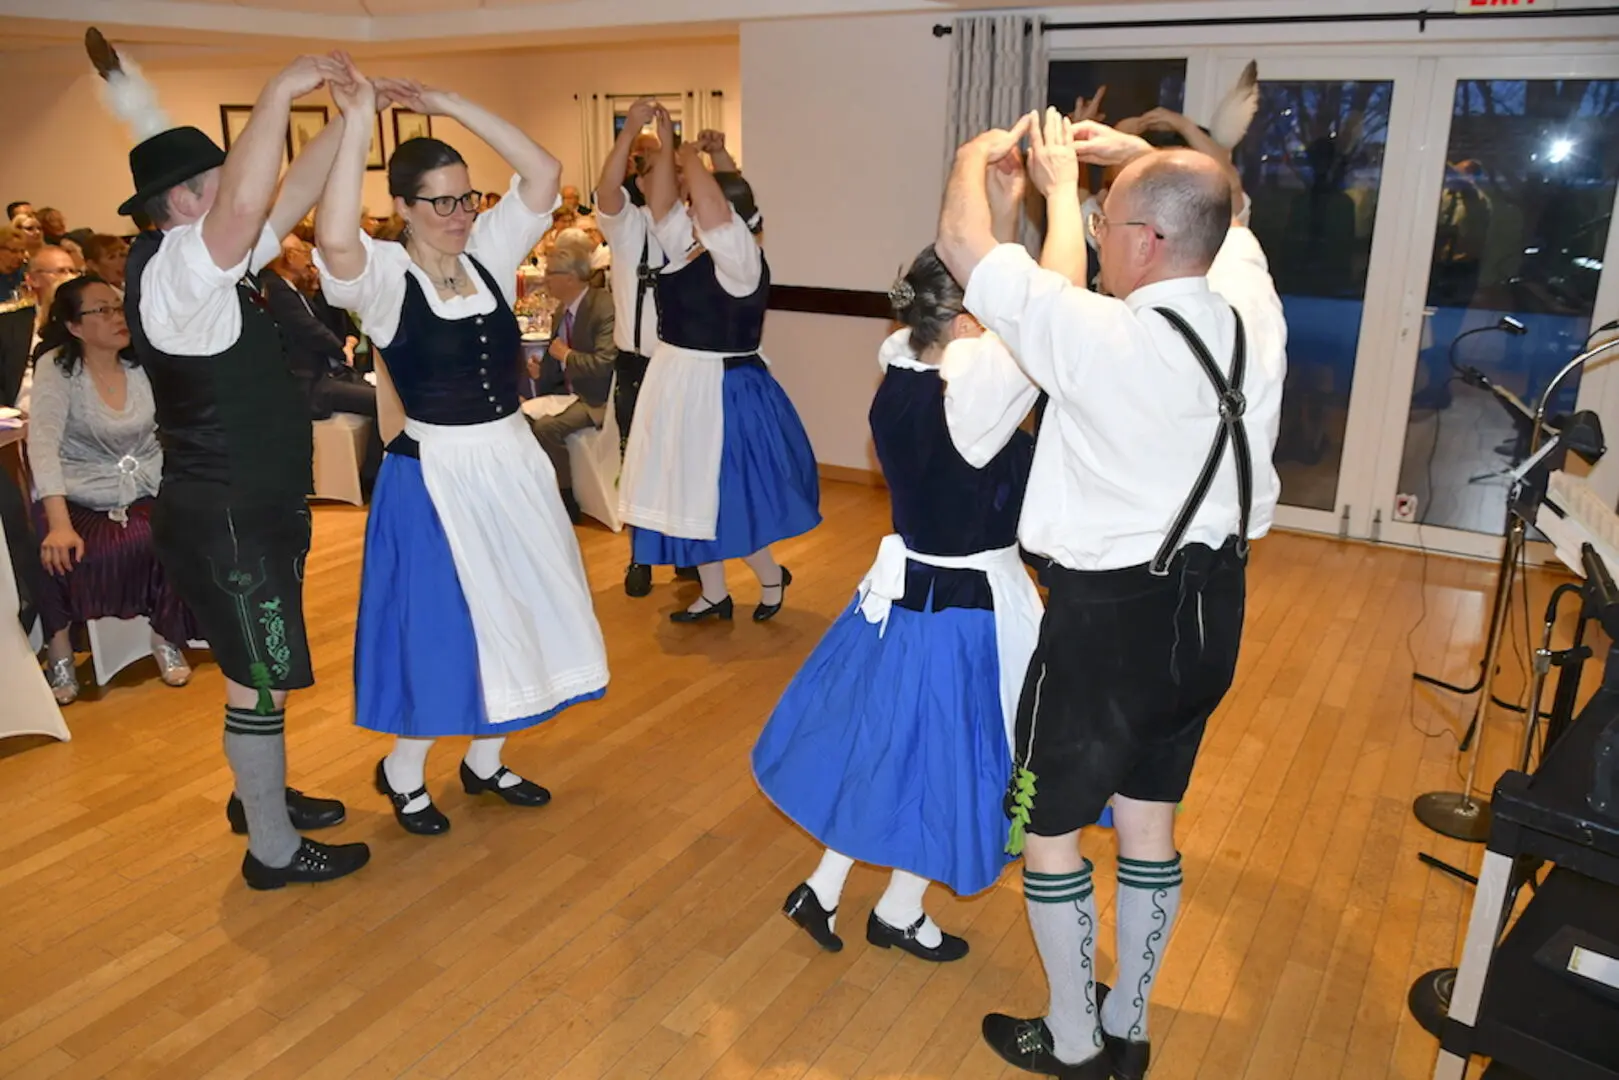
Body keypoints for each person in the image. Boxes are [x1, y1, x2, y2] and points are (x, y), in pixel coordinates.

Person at [937, 110, 1285, 1079]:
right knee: (1146, 818)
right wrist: (1142, 166)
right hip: (1212, 615)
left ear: (1142, 240)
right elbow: (1223, 214)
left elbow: (961, 243)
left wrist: (989, 158)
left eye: (1104, 226)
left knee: (1046, 833)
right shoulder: (1253, 312)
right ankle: (1127, 1024)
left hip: (1107, 625)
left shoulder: (1099, 335)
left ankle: (1077, 1040)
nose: (1093, 238)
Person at [92, 33, 368, 889]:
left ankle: (263, 801)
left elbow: (282, 196)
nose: (239, 192)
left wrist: (353, 113)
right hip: (231, 519)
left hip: (244, 510)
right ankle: (273, 852)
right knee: (261, 681)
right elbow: (250, 210)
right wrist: (281, 88)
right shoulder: (180, 269)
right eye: (221, 177)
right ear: (183, 201)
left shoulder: (205, 263)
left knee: (260, 675)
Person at [315, 63, 608, 836]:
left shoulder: (487, 252)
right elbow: (334, 236)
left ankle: (485, 759)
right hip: (435, 472)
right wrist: (354, 127)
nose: (457, 212)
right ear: (403, 207)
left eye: (466, 196)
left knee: (523, 606)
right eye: (438, 201)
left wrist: (442, 102)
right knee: (446, 625)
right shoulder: (381, 277)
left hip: (509, 458)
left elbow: (543, 170)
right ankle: (404, 771)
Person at [753, 242, 1041, 963]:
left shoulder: (901, 376)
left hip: (904, 597)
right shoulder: (969, 398)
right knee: (951, 766)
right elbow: (1037, 334)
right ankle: (897, 909)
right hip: (966, 612)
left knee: (893, 751)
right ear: (971, 320)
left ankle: (826, 888)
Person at [617, 107, 821, 623]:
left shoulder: (738, 256)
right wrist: (666, 142)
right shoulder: (686, 248)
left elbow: (711, 207)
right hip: (683, 384)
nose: (688, 206)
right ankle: (714, 592)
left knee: (726, 495)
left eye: (698, 200)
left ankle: (770, 578)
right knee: (689, 491)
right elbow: (661, 202)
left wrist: (689, 155)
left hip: (722, 391)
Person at [27, 275, 200, 704]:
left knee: (181, 529)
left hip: (146, 487)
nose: (116, 317)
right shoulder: (58, 369)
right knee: (54, 549)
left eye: (118, 307)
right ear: (74, 326)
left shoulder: (142, 364)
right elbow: (43, 444)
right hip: (77, 494)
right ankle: (61, 650)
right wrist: (59, 522)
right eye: (100, 310)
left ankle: (166, 635)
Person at [594, 100, 668, 597]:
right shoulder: (626, 227)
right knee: (637, 464)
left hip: (682, 367)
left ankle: (688, 557)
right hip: (637, 365)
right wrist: (632, 131)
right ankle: (641, 556)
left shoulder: (689, 228)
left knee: (683, 463)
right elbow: (605, 188)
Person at [263, 234, 381, 495]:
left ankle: (374, 475)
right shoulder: (275, 288)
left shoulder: (293, 289)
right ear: (289, 257)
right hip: (309, 384)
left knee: (388, 395)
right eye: (302, 252)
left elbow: (327, 327)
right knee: (382, 402)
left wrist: (342, 348)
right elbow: (309, 330)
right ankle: (371, 480)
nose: (309, 257)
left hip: (326, 374)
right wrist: (340, 349)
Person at [525, 230, 617, 524]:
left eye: (551, 273)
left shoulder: (603, 306)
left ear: (571, 277)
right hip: (569, 393)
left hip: (597, 397)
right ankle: (539, 491)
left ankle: (566, 501)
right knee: (521, 419)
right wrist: (542, 373)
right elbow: (556, 362)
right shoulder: (562, 310)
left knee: (547, 428)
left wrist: (565, 356)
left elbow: (605, 364)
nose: (545, 279)